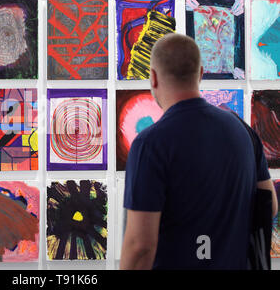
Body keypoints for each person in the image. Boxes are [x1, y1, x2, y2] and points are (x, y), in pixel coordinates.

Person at [119, 33, 278, 270]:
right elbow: (269, 206)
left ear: (152, 78)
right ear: (201, 74)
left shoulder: (150, 144)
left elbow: (141, 245)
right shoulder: (242, 130)